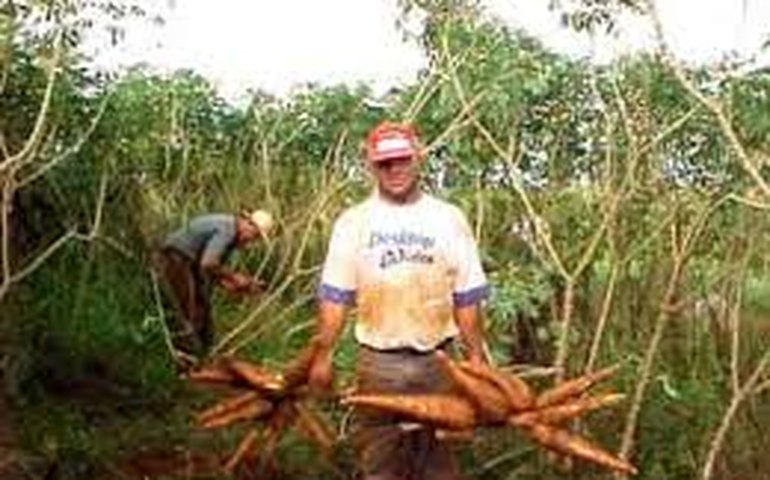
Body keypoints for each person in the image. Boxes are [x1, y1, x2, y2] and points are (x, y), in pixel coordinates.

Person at [307, 121, 490, 480]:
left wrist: (476, 359)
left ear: (417, 157)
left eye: (402, 160)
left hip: (439, 362)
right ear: (371, 166)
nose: (394, 170)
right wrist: (322, 355)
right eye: (384, 163)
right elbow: (335, 296)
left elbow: (466, 296)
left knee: (438, 461)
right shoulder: (354, 223)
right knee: (381, 460)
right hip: (379, 365)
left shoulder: (448, 219)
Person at [154, 209, 274, 361]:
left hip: (187, 262)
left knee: (202, 311)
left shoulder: (229, 232)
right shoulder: (227, 230)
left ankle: (198, 355)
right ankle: (185, 357)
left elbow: (211, 272)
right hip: (176, 258)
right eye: (254, 236)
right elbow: (208, 263)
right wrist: (234, 277)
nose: (250, 241)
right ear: (248, 224)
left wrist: (239, 285)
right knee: (189, 312)